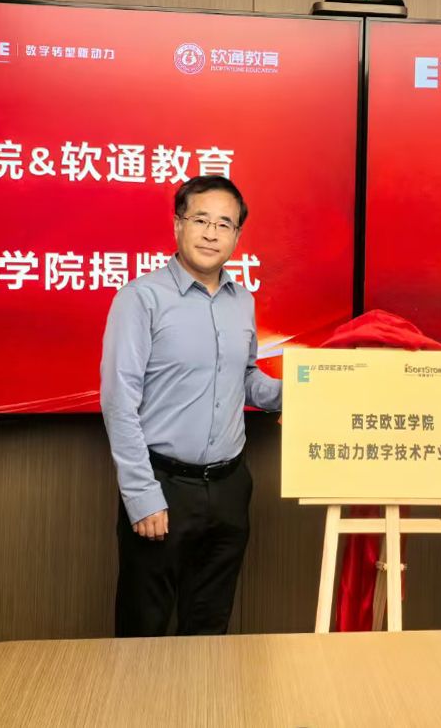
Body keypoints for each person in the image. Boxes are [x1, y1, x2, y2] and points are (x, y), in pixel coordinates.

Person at [100, 175, 282, 637]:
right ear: (178, 224)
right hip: (163, 486)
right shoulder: (141, 298)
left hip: (229, 487)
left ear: (237, 236)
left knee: (209, 632)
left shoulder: (242, 302)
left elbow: (246, 379)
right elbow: (119, 402)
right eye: (201, 220)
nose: (211, 234)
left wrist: (306, 390)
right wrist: (142, 496)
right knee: (144, 634)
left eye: (224, 224)